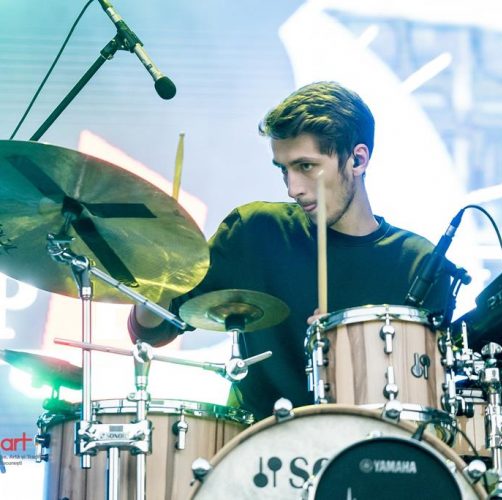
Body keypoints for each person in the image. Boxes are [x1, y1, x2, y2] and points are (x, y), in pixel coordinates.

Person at [128, 81, 449, 421]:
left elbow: (430, 400)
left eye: (306, 166)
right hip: (259, 443)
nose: (293, 188)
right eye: (284, 169)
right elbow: (152, 332)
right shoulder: (255, 231)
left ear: (357, 159)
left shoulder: (419, 264)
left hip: (373, 444)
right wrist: (160, 271)